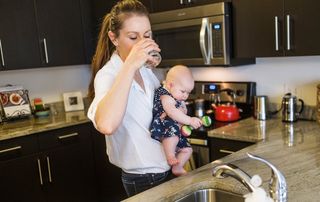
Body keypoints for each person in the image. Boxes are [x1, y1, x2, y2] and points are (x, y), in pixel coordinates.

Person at [87, 0, 172, 197]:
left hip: (165, 169)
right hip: (143, 178)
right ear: (114, 38)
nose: (142, 43)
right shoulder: (108, 76)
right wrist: (130, 64)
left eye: (147, 35)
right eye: (133, 37)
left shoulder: (147, 71)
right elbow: (106, 125)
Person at [150, 65, 202, 176]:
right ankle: (170, 156)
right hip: (164, 125)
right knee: (172, 135)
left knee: (188, 150)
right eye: (183, 91)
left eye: (188, 93)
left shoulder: (176, 94)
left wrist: (183, 110)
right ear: (170, 85)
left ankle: (177, 167)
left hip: (175, 129)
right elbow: (171, 111)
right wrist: (189, 120)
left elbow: (180, 111)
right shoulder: (165, 95)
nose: (185, 96)